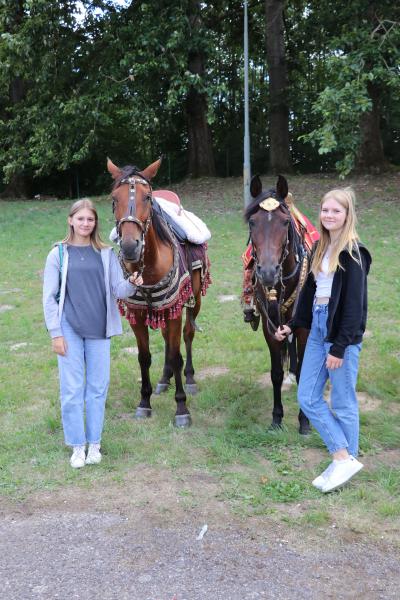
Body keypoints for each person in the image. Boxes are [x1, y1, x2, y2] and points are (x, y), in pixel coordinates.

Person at [275, 188, 371, 493]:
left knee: (342, 402)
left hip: (340, 331)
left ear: (348, 215)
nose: (329, 215)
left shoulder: (353, 253)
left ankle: (346, 462)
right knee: (307, 397)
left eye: (336, 211)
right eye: (325, 210)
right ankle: (343, 457)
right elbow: (309, 292)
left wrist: (340, 347)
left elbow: (355, 307)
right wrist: (293, 325)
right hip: (317, 327)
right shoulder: (320, 246)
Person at [43, 198, 142, 469]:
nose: (85, 223)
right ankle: (77, 446)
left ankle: (94, 444)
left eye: (90, 219)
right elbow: (49, 298)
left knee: (98, 388)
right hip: (69, 329)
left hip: (100, 328)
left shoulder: (106, 253)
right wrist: (55, 333)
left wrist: (133, 284)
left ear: (95, 223)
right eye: (81, 218)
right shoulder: (58, 254)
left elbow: (118, 290)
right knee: (72, 389)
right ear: (70, 221)